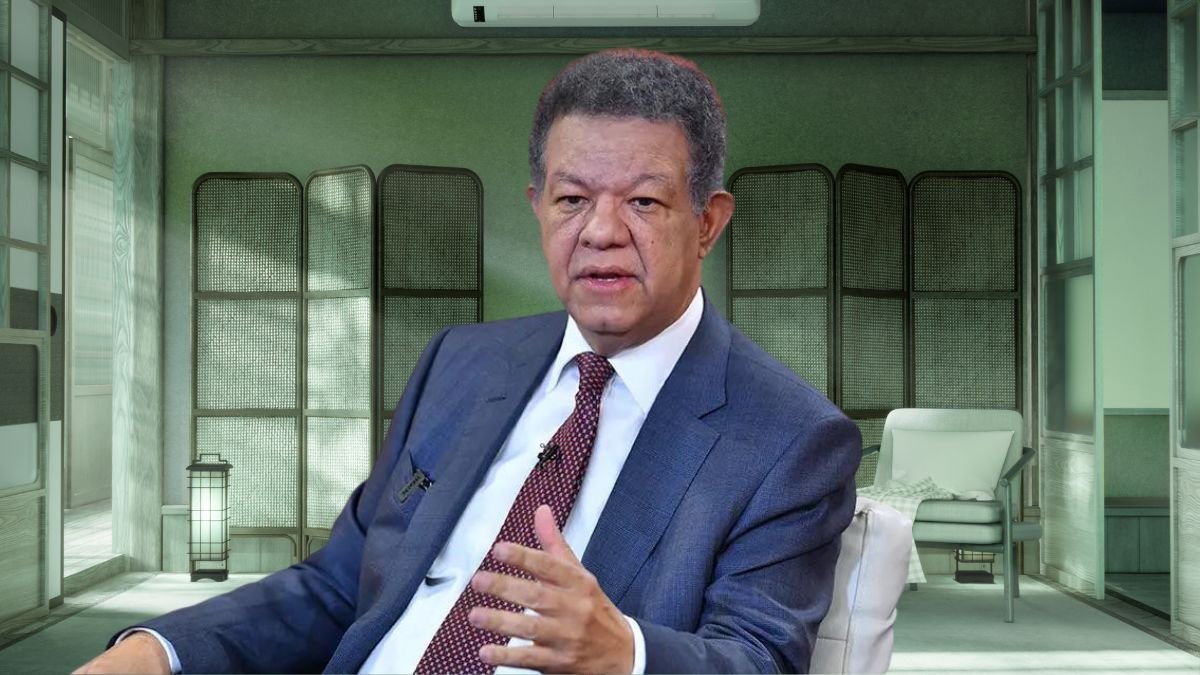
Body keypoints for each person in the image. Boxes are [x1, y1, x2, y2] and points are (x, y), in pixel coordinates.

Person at [76, 49, 860, 674]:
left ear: (708, 221)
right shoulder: (462, 361)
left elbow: (759, 657)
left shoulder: (787, 436)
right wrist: (158, 650)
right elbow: (339, 583)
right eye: (572, 199)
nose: (601, 231)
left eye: (644, 202)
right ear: (537, 206)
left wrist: (624, 652)